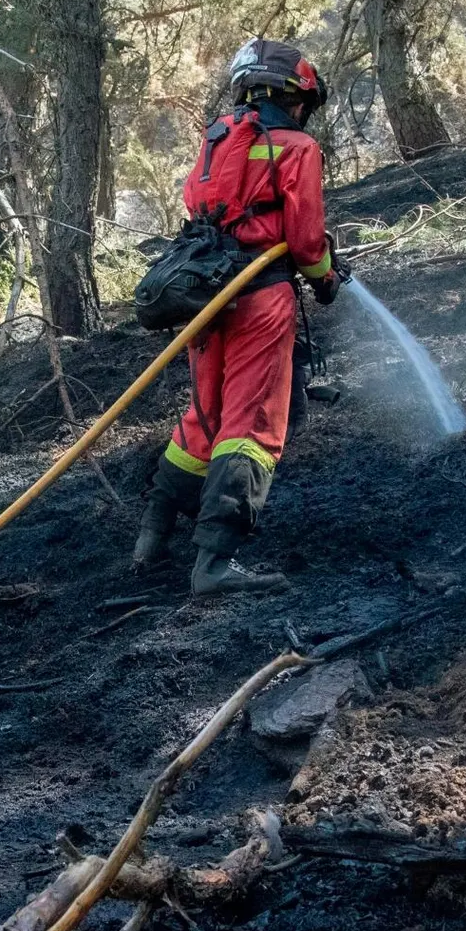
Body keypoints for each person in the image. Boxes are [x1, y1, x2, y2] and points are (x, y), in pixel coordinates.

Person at [133, 39, 340, 594]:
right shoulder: (297, 147)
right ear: (296, 98)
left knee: (206, 413)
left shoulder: (218, 138)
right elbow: (306, 239)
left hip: (208, 293)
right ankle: (213, 565)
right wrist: (325, 279)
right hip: (259, 297)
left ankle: (152, 535)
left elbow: (196, 201)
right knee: (250, 424)